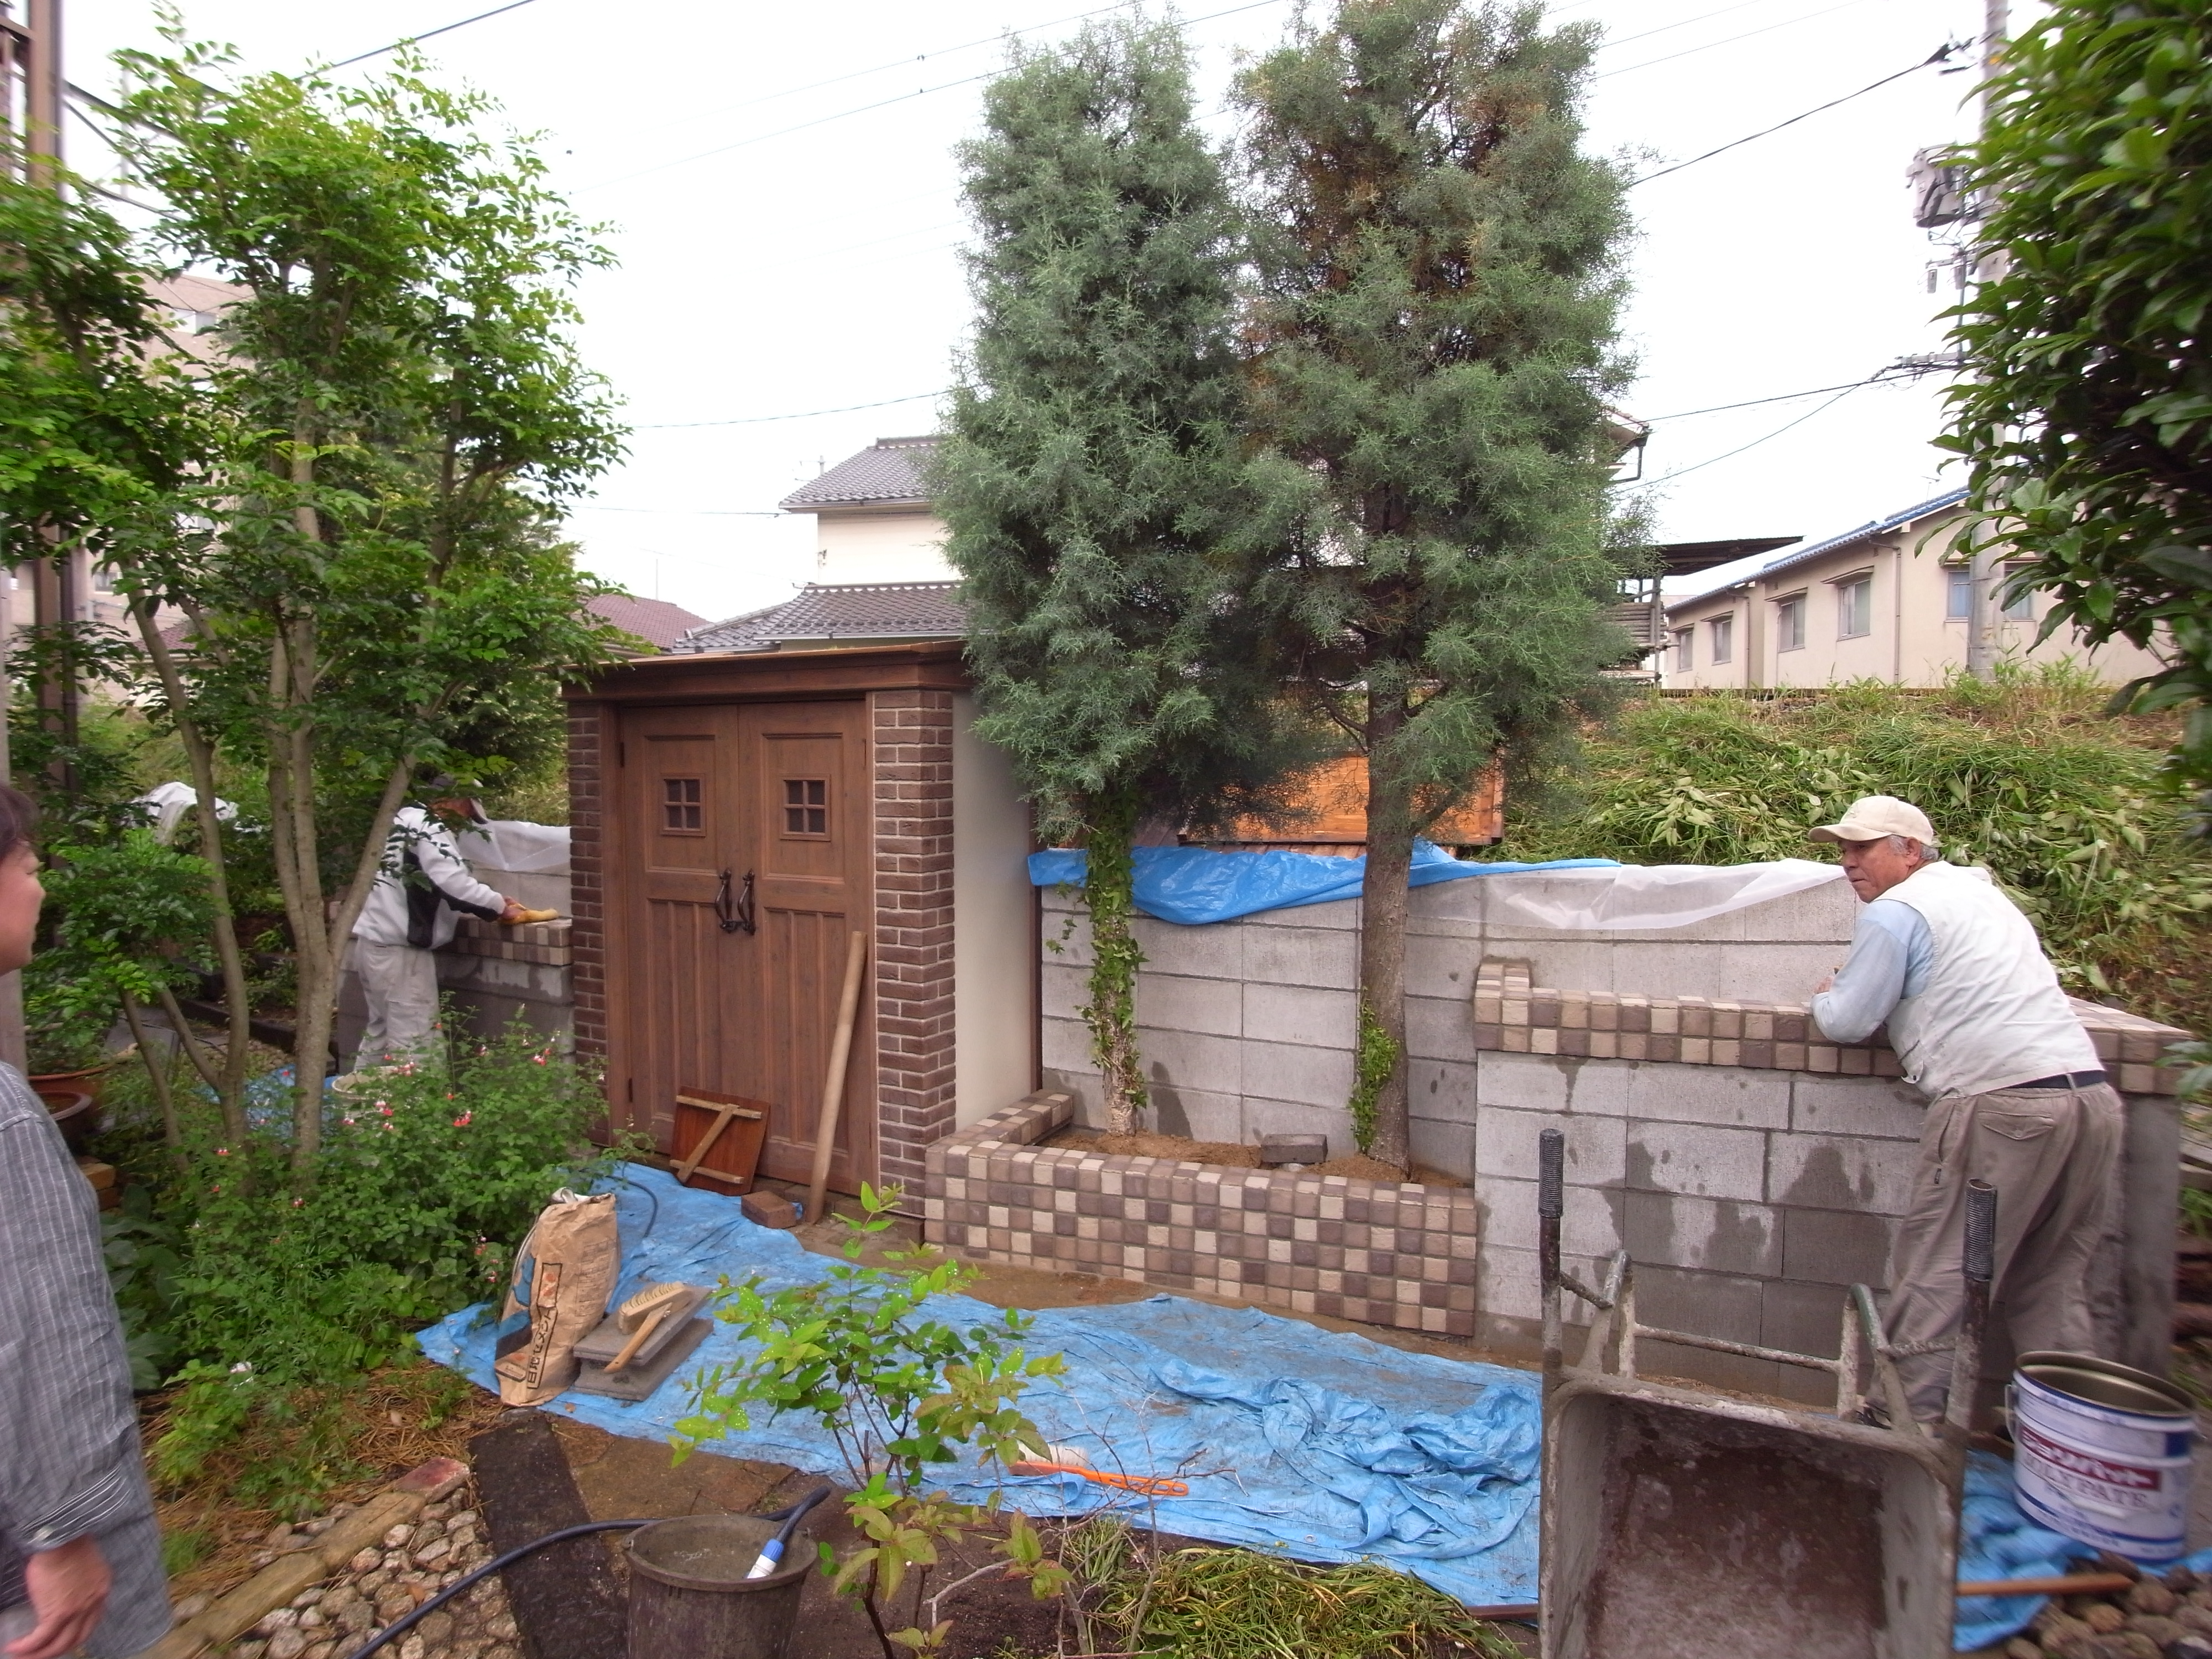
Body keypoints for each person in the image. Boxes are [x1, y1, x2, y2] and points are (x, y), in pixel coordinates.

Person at [1807, 794, 2120, 1423]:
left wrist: (1825, 995)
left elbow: (1848, 1019)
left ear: (1910, 851)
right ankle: (2072, 1441)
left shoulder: (1898, 910)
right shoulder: (1979, 896)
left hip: (2003, 1108)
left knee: (1940, 1268)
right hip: (2088, 1100)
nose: (1847, 862)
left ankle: (1904, 1421)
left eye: (1861, 847)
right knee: (2052, 1281)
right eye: (1842, 849)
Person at [0, 785, 171, 1658]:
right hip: (27, 1566)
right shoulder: (6, 1121)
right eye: (28, 867)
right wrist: (68, 1528)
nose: (40, 888)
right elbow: (40, 1331)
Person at [347, 793, 529, 1072]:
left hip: (373, 946)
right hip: (401, 956)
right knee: (417, 1044)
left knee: (380, 1036)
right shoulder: (429, 826)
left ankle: (360, 1112)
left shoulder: (400, 820)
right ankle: (415, 1113)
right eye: (468, 811)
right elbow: (452, 883)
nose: (466, 820)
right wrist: (496, 906)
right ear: (455, 801)